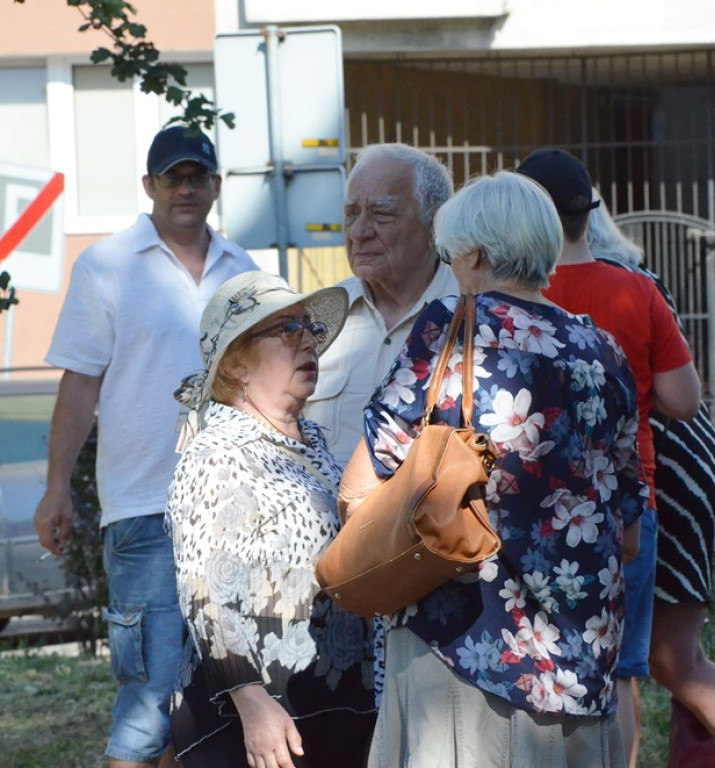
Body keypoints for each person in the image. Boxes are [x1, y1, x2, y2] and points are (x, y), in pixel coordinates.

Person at [338, 170, 649, 768]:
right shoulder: (602, 351)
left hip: (463, 651)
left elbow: (359, 487)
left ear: (476, 256)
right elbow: (629, 531)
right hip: (584, 663)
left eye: (452, 257)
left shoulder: (450, 328)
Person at [33, 125, 259, 768]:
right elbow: (80, 384)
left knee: (215, 704)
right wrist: (56, 487)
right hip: (144, 509)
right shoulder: (106, 265)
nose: (186, 188)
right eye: (172, 177)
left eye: (197, 176)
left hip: (231, 511)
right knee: (149, 705)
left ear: (216, 185)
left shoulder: (243, 270)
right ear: (149, 186)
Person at [515, 148, 702, 768]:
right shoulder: (637, 289)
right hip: (624, 506)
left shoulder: (517, 298)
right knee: (618, 670)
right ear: (589, 213)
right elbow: (684, 400)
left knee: (534, 662)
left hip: (534, 510)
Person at [587, 194, 715, 768]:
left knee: (646, 660)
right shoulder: (636, 278)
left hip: (662, 480)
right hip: (692, 471)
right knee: (666, 658)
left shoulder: (593, 285)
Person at [165, 271, 376, 768]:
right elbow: (203, 592)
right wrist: (251, 702)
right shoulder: (219, 453)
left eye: (310, 327)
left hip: (331, 706)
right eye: (287, 329)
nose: (309, 340)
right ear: (236, 364)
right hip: (255, 724)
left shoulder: (311, 443)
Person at [304, 142, 458, 464]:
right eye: (351, 214)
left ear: (435, 225)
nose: (358, 233)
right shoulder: (314, 318)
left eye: (382, 215)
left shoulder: (475, 317)